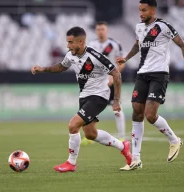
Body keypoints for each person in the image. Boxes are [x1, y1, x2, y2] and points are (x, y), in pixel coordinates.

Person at [31, 26, 132, 172]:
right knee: (91, 134)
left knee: (73, 125)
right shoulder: (71, 55)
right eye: (67, 42)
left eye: (71, 42)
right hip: (84, 96)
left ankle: (71, 163)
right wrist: (43, 69)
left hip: (99, 96)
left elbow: (116, 74)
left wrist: (116, 100)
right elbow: (61, 66)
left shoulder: (95, 56)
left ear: (80, 42)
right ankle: (123, 146)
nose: (68, 45)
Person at [116, 0, 184, 171]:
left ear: (153, 10)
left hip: (159, 74)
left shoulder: (163, 26)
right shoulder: (139, 27)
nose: (141, 13)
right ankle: (135, 159)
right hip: (142, 74)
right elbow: (138, 45)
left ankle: (174, 140)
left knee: (150, 115)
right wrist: (126, 58)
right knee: (136, 113)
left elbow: (182, 44)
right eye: (139, 10)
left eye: (144, 10)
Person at [81, 21, 126, 146]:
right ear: (96, 31)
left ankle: (121, 137)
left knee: (116, 108)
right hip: (96, 82)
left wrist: (113, 76)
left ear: (107, 30)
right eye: (98, 29)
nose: (100, 31)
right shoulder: (91, 45)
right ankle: (90, 136)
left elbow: (121, 62)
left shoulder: (115, 45)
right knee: (91, 109)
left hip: (111, 81)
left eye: (103, 29)